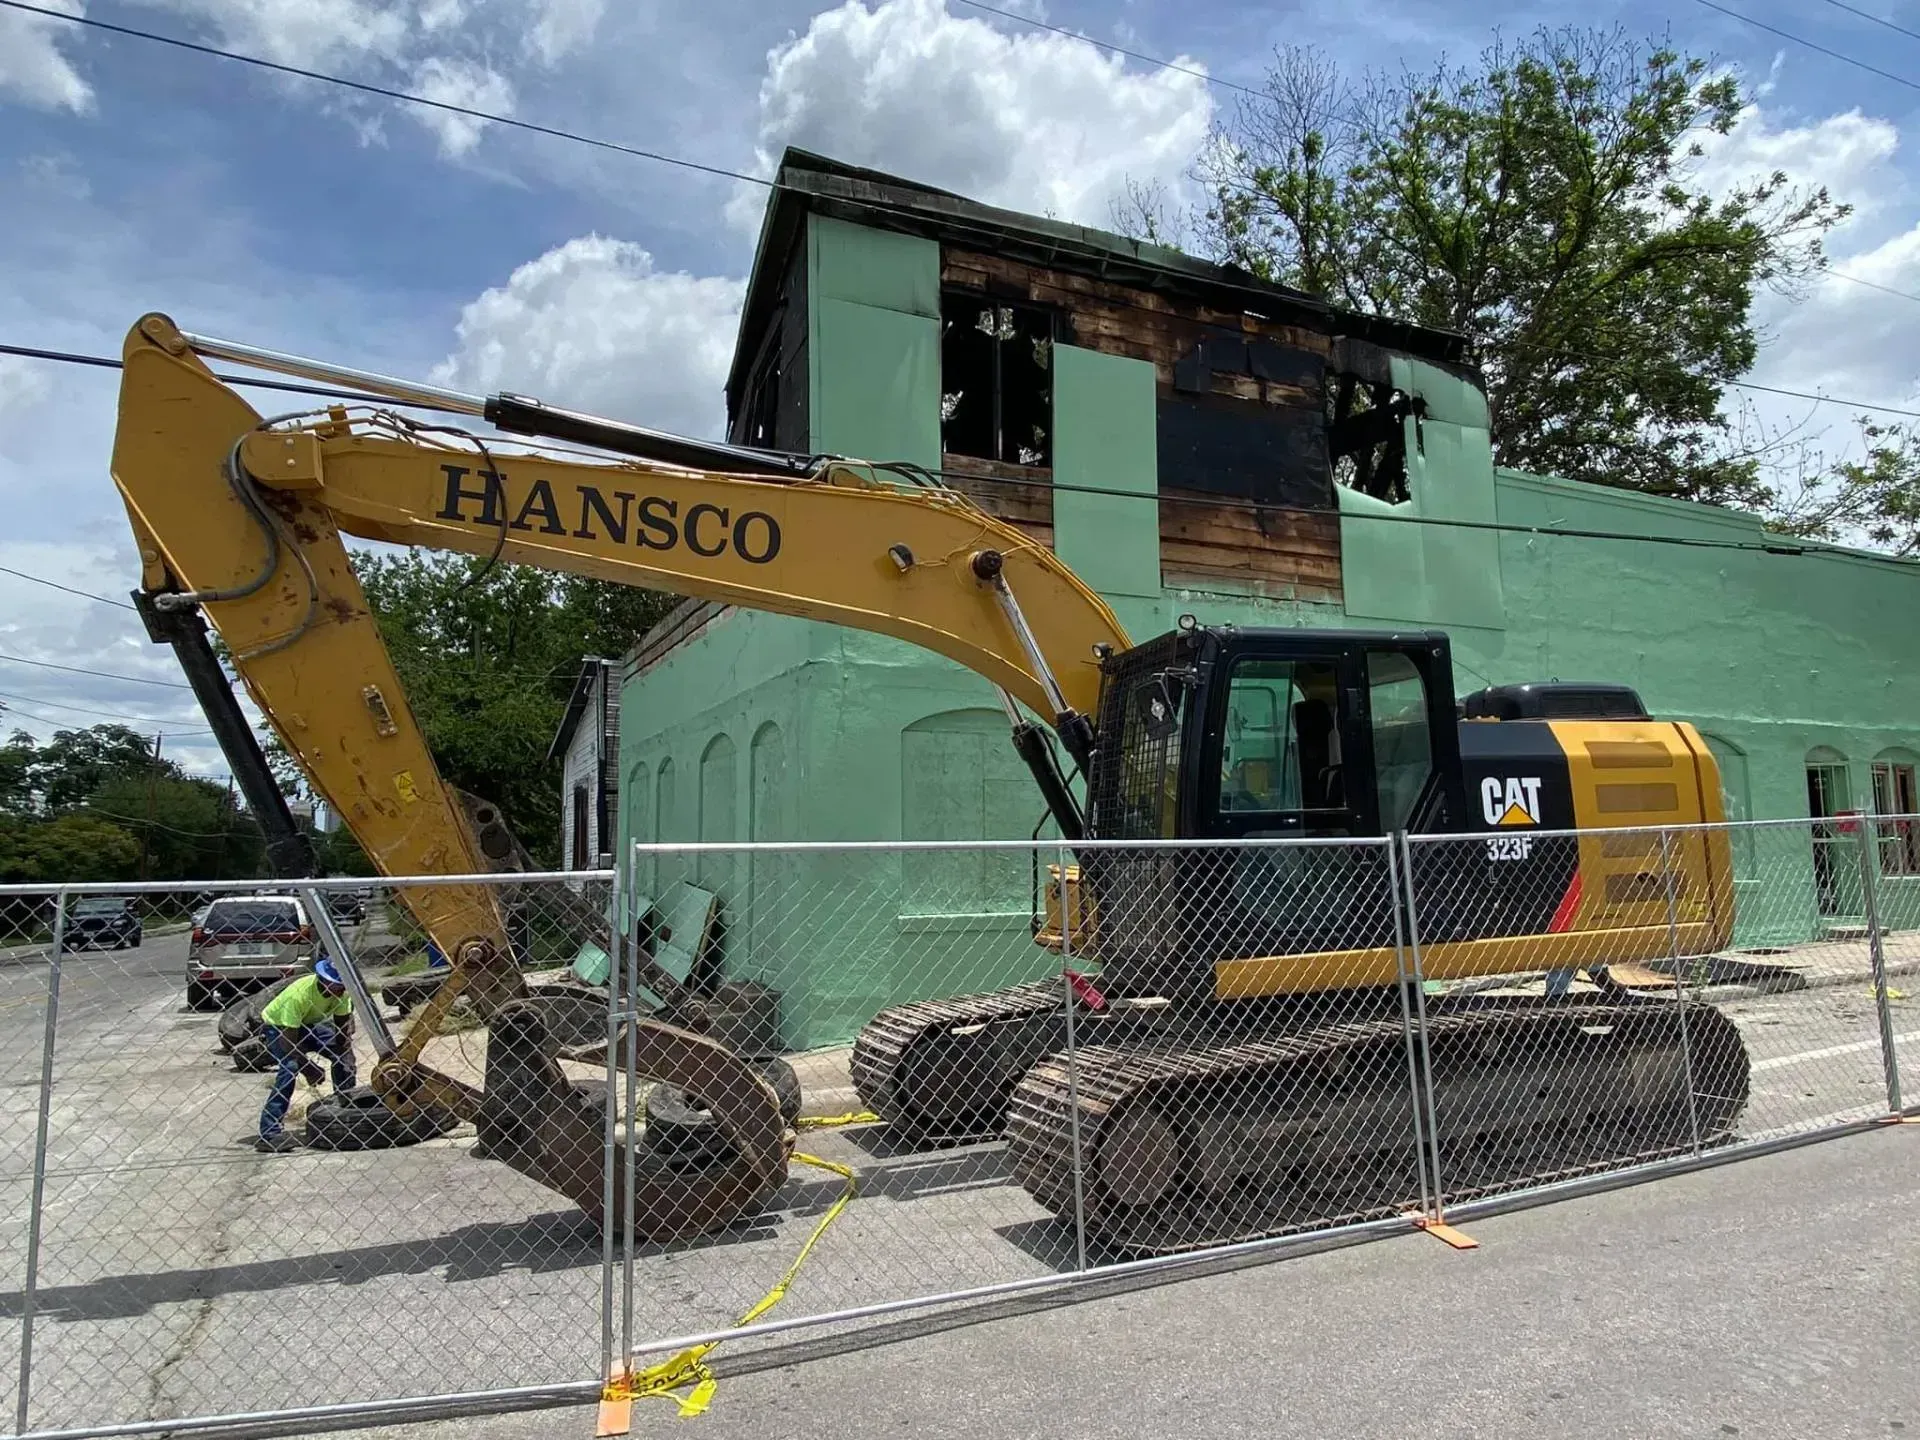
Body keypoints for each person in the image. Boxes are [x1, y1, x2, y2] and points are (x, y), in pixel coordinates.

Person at [255, 956, 356, 1152]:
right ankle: (269, 1134)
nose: (341, 990)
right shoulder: (299, 994)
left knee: (344, 1058)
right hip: (278, 1028)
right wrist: (310, 1068)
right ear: (324, 981)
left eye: (343, 985)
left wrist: (346, 1055)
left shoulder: (342, 993)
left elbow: (342, 1028)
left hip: (308, 1024)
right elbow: (288, 1043)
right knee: (290, 1068)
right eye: (337, 985)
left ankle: (345, 1110)